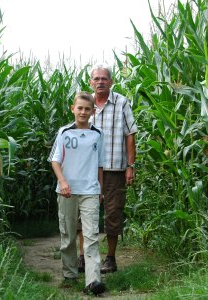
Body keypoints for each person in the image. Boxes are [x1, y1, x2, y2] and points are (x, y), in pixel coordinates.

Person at [77, 63, 138, 274]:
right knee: (84, 213)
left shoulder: (121, 103)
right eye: (97, 79)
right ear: (91, 82)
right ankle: (83, 257)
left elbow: (130, 134)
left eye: (104, 78)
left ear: (111, 82)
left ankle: (110, 259)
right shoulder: (85, 105)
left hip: (115, 168)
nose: (101, 82)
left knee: (113, 213)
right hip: (87, 169)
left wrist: (131, 166)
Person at [49, 91, 106, 295]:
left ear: (93, 111)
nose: (83, 112)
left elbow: (100, 164)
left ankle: (93, 281)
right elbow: (55, 160)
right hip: (67, 191)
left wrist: (100, 189)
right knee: (68, 235)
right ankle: (70, 273)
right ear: (73, 109)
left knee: (91, 236)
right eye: (79, 108)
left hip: (90, 190)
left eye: (87, 109)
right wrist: (62, 181)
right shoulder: (64, 132)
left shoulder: (98, 135)